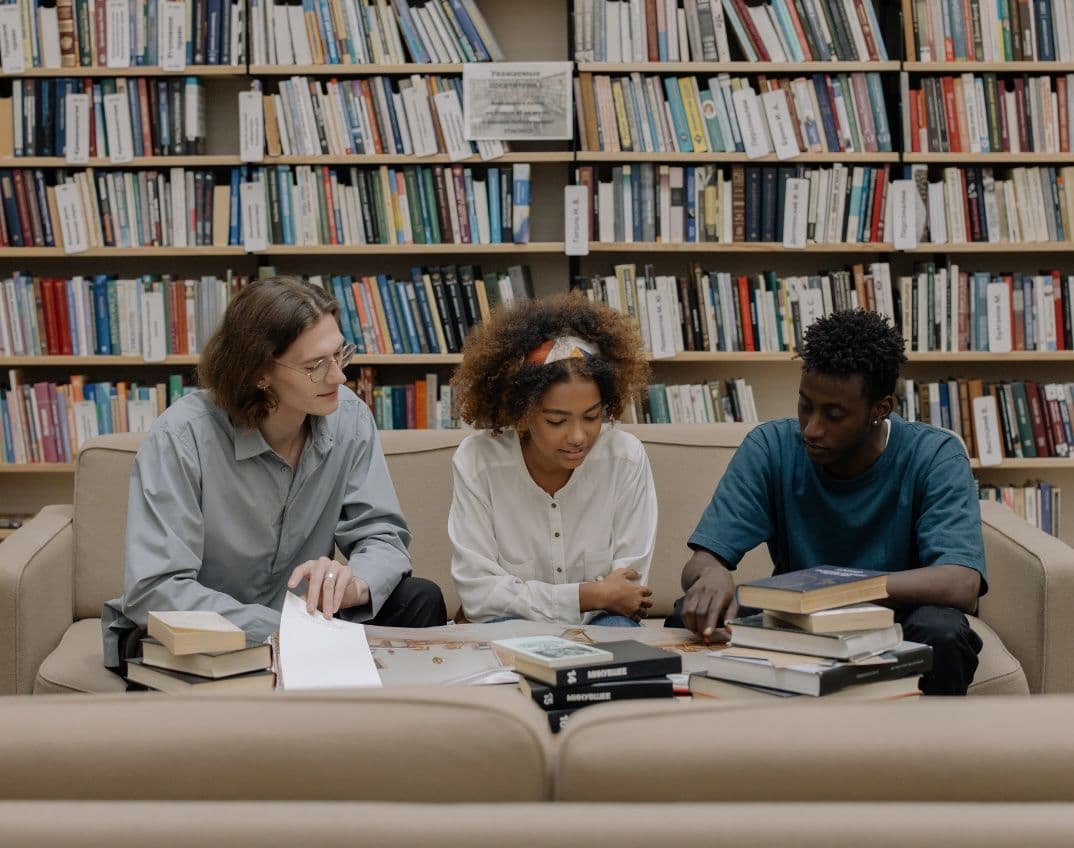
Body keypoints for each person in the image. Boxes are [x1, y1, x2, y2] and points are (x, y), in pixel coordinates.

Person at [102, 276, 446, 675]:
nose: (338, 377)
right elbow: (155, 589)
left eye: (339, 354)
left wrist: (355, 583)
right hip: (206, 628)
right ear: (259, 373)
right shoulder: (181, 437)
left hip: (303, 621)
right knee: (193, 649)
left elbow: (382, 535)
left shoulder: (349, 417)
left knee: (419, 599)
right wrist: (286, 631)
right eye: (315, 366)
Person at [670, 309, 986, 696]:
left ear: (880, 409)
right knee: (689, 612)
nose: (812, 429)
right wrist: (712, 573)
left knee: (943, 632)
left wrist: (836, 589)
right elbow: (700, 563)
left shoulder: (935, 455)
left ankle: (928, 737)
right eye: (806, 406)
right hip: (797, 619)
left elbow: (961, 583)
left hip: (898, 619)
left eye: (834, 415)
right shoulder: (770, 448)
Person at [448, 291, 657, 626]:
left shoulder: (625, 458)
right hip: (512, 625)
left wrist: (597, 599)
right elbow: (480, 595)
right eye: (557, 421)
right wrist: (590, 595)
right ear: (522, 414)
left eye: (592, 417)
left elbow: (627, 592)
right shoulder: (478, 462)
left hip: (604, 621)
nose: (578, 436)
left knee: (619, 631)